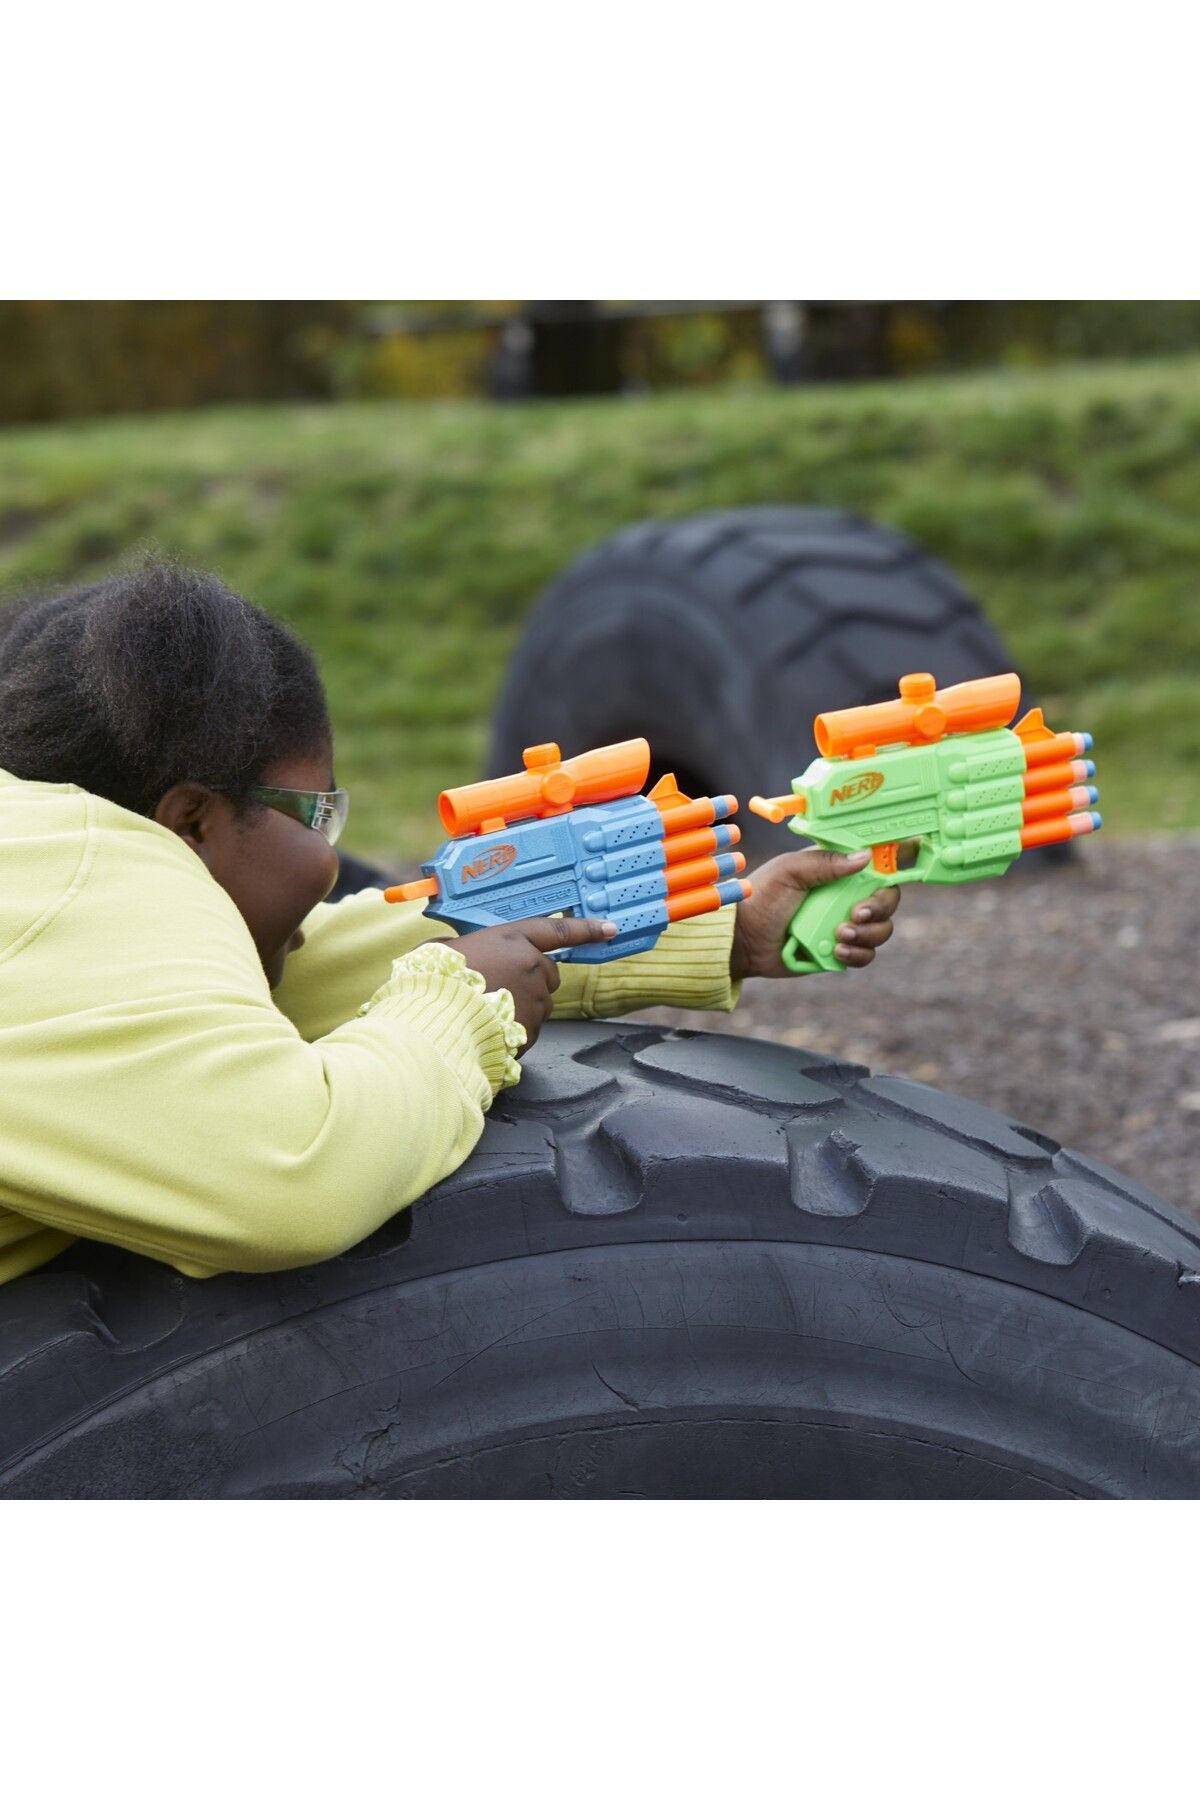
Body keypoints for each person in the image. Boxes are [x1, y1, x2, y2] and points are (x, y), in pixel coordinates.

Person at [0, 563, 900, 1285]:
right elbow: (297, 1173)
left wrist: (711, 924)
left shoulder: (44, 875)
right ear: (191, 822)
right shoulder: (97, 868)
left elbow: (265, 999)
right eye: (319, 815)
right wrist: (461, 1012)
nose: (328, 861)